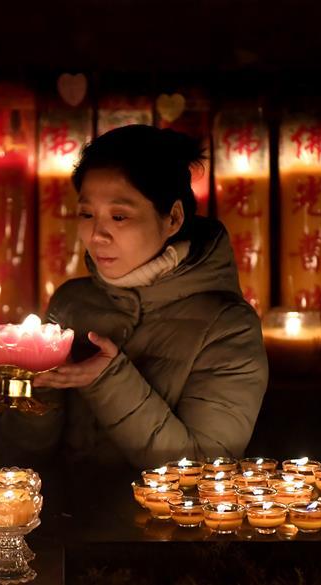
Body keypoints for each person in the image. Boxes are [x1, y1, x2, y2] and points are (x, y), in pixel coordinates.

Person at [29, 124, 268, 470]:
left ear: (172, 218)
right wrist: (27, 383)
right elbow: (22, 458)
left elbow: (205, 474)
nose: (97, 235)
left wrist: (108, 379)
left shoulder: (229, 326)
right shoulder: (71, 304)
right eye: (86, 214)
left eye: (119, 216)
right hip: (61, 519)